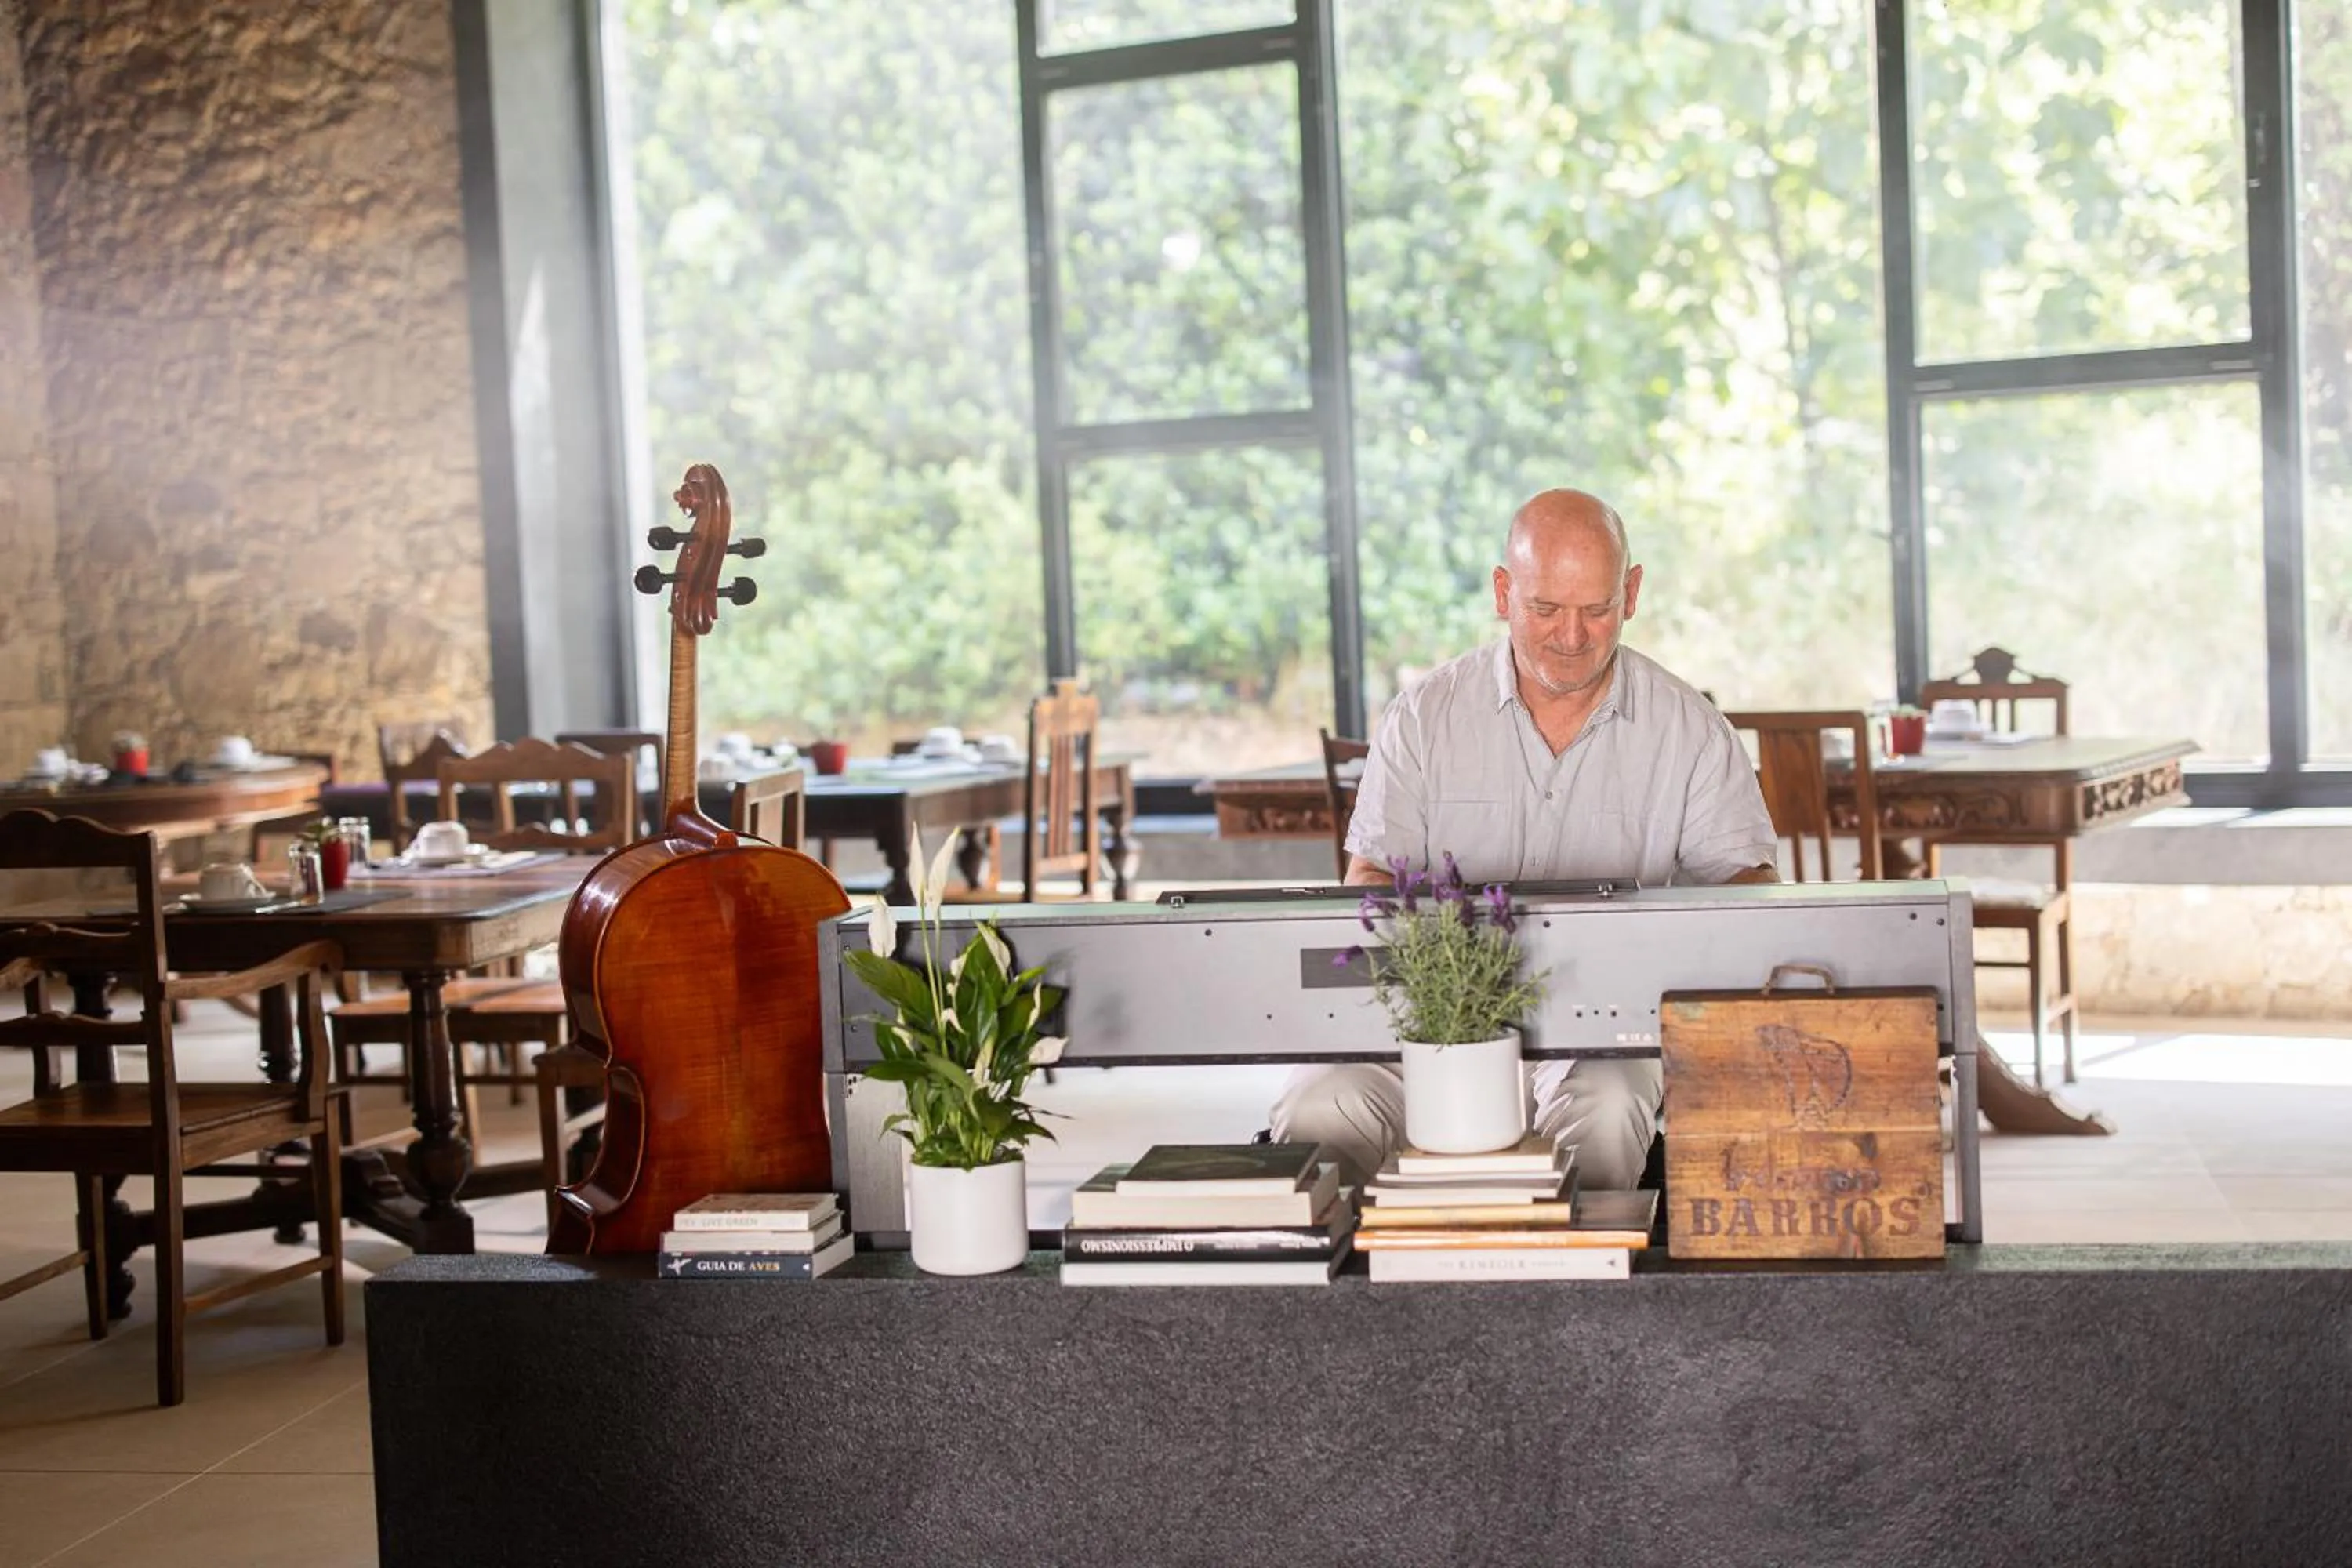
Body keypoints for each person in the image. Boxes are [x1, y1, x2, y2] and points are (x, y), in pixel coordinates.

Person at [1269, 488, 1779, 1189]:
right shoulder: (1423, 716)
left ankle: (1574, 1297)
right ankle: (1359, 1299)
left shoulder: (1691, 730)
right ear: (1503, 592)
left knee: (1607, 1108)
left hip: (1605, 1030)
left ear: (1631, 594)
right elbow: (1372, 882)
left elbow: (1750, 898)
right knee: (1320, 1106)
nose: (1571, 637)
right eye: (1545, 609)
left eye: (1596, 610)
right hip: (1426, 1024)